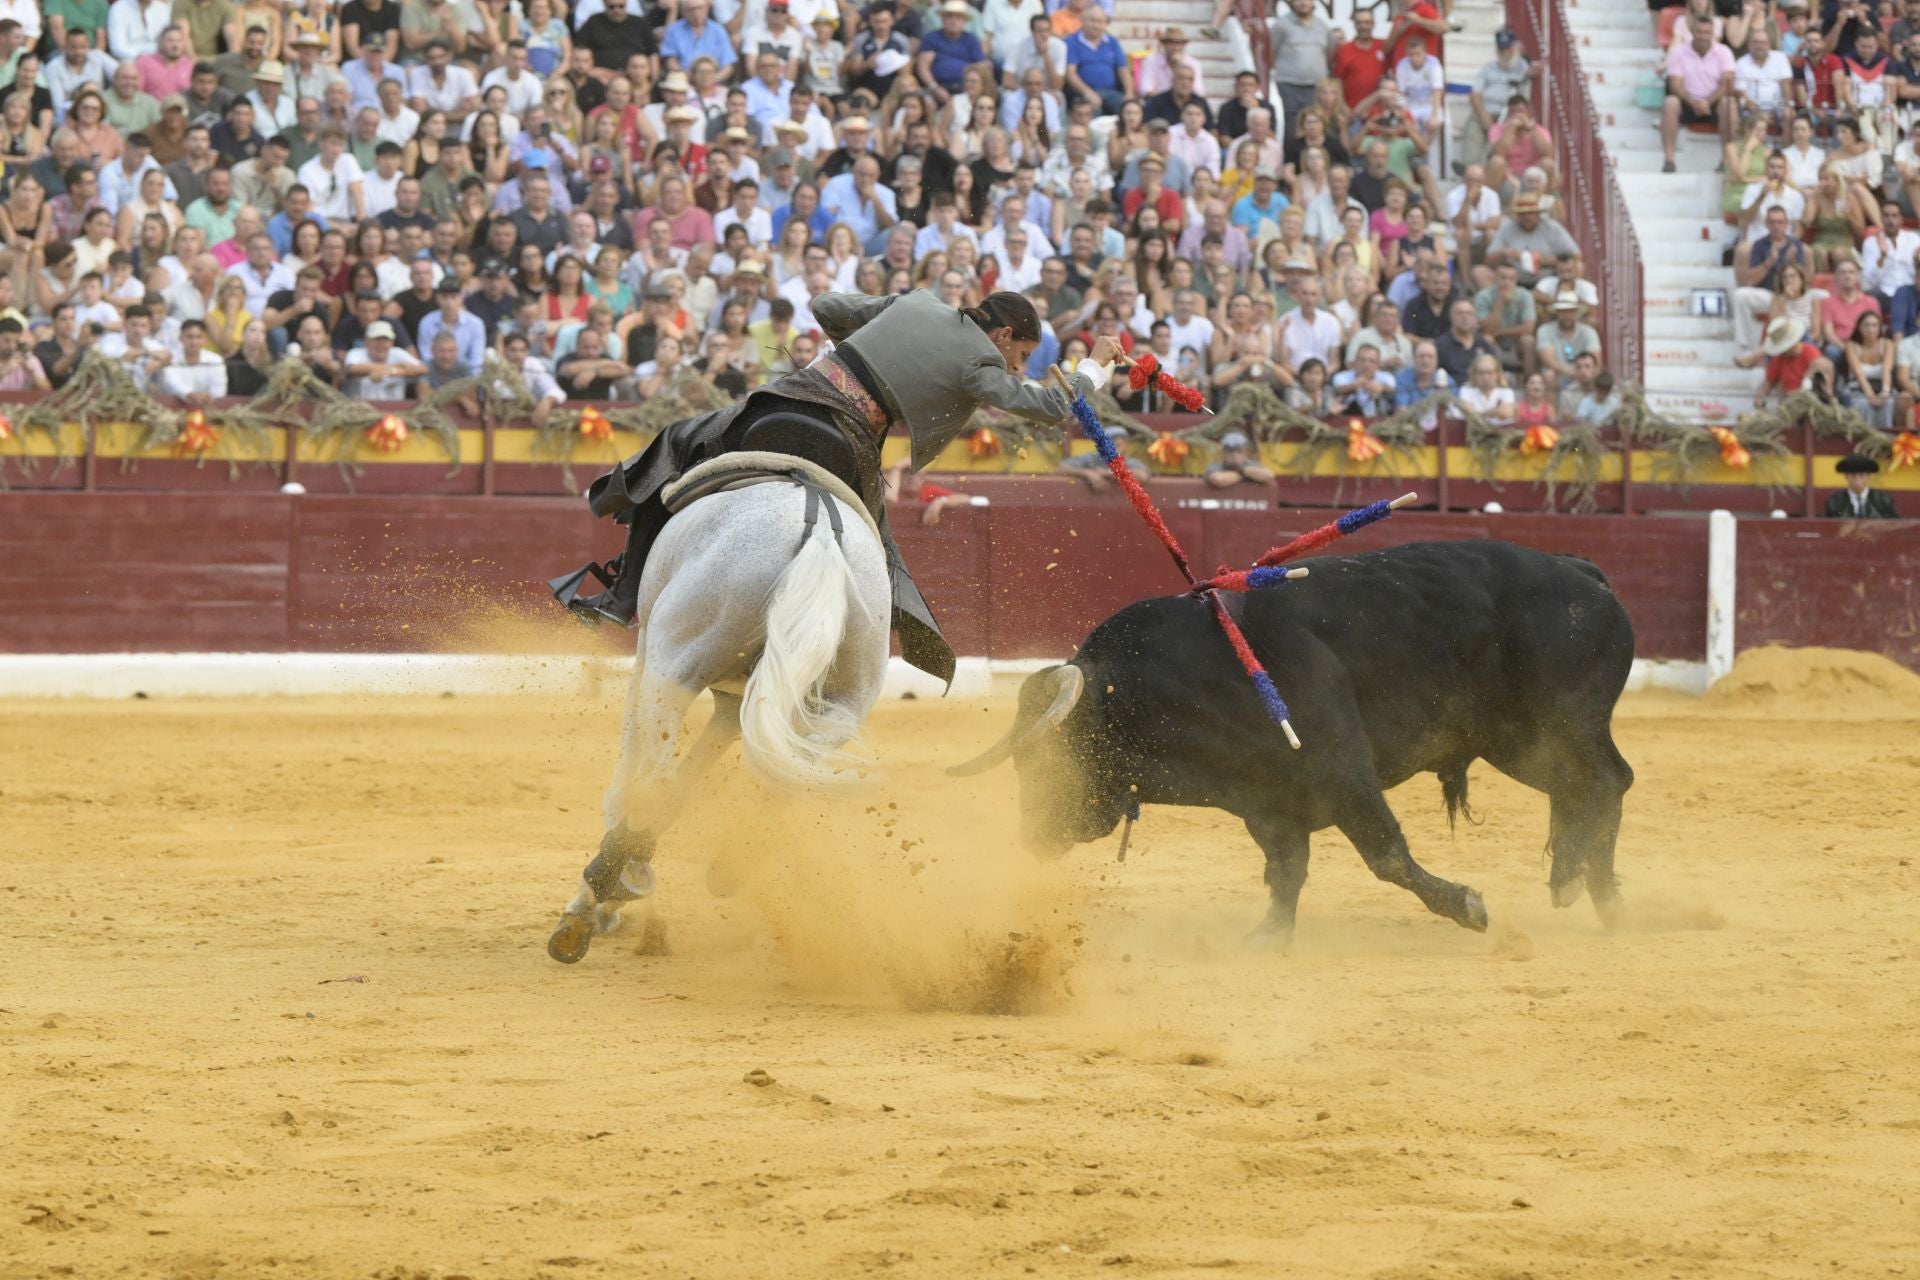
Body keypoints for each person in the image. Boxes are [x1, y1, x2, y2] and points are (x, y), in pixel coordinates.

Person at [549, 290, 1124, 685]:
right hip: (848, 443)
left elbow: (825, 306)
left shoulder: (916, 303)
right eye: (1020, 355)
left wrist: (869, 336)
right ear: (1002, 333)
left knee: (679, 452)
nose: (1018, 368)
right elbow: (1052, 406)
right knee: (877, 554)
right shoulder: (982, 365)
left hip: (782, 404)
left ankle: (620, 599)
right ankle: (854, 661)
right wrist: (1096, 363)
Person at [1825, 452, 1902, 516]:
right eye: (1853, 476)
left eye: (1862, 476)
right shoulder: (1836, 501)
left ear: (1869, 477)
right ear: (1846, 476)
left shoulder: (1882, 500)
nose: (1857, 480)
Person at [1205, 430, 1274, 487]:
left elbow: (1268, 475)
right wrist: (1245, 474)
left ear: (1245, 453)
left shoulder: (1251, 464)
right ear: (1223, 453)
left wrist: (1241, 470)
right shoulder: (1216, 466)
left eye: (1239, 451)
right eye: (1230, 451)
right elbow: (1218, 479)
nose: (1235, 455)